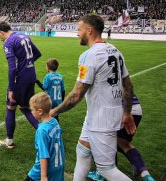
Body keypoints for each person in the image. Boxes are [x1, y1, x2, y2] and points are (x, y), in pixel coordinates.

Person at [49, 14, 136, 181]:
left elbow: (76, 95)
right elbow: (128, 86)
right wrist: (126, 113)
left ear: (89, 31)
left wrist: (54, 111)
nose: (77, 33)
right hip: (99, 114)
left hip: (101, 118)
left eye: (79, 30)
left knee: (106, 170)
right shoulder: (115, 51)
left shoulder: (89, 55)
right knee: (82, 151)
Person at [87, 94, 155, 181]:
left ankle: (103, 174)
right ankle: (145, 174)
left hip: (119, 110)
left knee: (101, 139)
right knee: (122, 144)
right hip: (136, 109)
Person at [0, 22, 41, 149]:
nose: (1, 39)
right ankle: (46, 135)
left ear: (2, 32)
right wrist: (26, 65)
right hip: (31, 76)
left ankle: (9, 141)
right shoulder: (24, 36)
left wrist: (11, 88)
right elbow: (37, 53)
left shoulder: (8, 42)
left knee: (11, 107)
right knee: (26, 108)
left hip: (19, 80)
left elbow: (12, 68)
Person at [26, 92, 65, 181]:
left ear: (39, 111)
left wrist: (43, 177)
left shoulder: (42, 131)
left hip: (39, 173)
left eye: (32, 110)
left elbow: (43, 155)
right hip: (57, 167)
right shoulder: (55, 122)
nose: (31, 112)